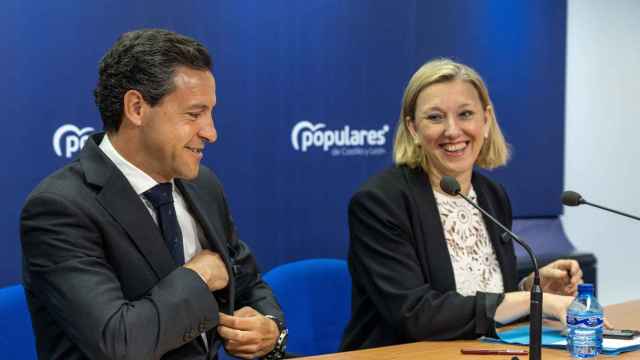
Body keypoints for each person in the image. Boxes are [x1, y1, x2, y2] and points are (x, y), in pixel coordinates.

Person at [20, 29, 287, 360]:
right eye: (194, 114)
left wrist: (269, 327)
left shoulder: (203, 185)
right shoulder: (60, 209)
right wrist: (198, 276)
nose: (211, 132)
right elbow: (119, 343)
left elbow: (248, 283)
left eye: (211, 113)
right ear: (136, 108)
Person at [340, 58, 583, 351]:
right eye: (435, 117)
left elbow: (479, 299)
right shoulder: (379, 203)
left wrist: (530, 289)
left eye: (465, 114)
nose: (452, 131)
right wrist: (529, 304)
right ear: (413, 128)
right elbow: (416, 314)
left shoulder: (491, 194)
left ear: (486, 120)